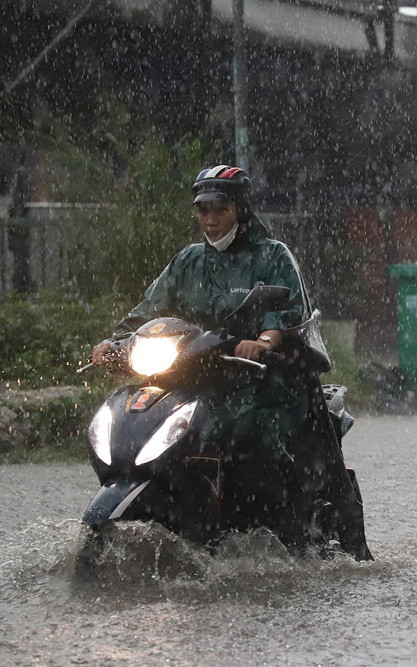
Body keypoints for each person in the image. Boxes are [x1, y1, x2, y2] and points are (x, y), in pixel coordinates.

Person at [90, 165, 373, 560]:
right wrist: (115, 341)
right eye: (203, 210)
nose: (210, 220)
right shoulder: (188, 262)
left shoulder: (272, 255)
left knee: (249, 432)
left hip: (265, 383)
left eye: (219, 209)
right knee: (136, 422)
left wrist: (263, 340)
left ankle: (283, 530)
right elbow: (148, 310)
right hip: (194, 379)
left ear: (238, 209)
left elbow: (289, 310)